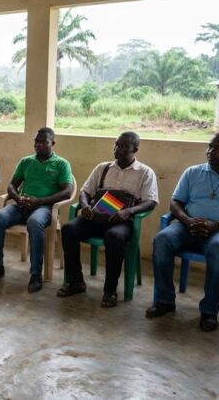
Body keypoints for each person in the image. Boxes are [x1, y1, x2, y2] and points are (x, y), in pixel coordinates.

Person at [146, 132, 219, 331]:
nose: (211, 152)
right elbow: (175, 202)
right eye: (210, 147)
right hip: (187, 226)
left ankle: (209, 311)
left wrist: (217, 225)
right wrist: (187, 221)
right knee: (162, 240)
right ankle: (164, 300)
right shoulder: (193, 172)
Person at [58, 132, 158, 308]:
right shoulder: (103, 168)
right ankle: (76, 282)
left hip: (121, 221)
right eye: (116, 144)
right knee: (69, 229)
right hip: (96, 218)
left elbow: (150, 201)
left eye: (123, 146)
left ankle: (110, 291)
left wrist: (129, 212)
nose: (117, 149)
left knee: (114, 237)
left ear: (135, 149)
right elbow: (85, 191)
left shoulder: (144, 173)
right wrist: (85, 205)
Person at [0, 128, 73, 293]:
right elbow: (11, 185)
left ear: (53, 143)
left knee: (35, 222)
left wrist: (39, 201)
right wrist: (17, 198)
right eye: (36, 142)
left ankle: (36, 274)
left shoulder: (61, 164)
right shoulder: (26, 161)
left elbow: (67, 191)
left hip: (44, 208)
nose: (38, 145)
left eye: (43, 142)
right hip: (21, 206)